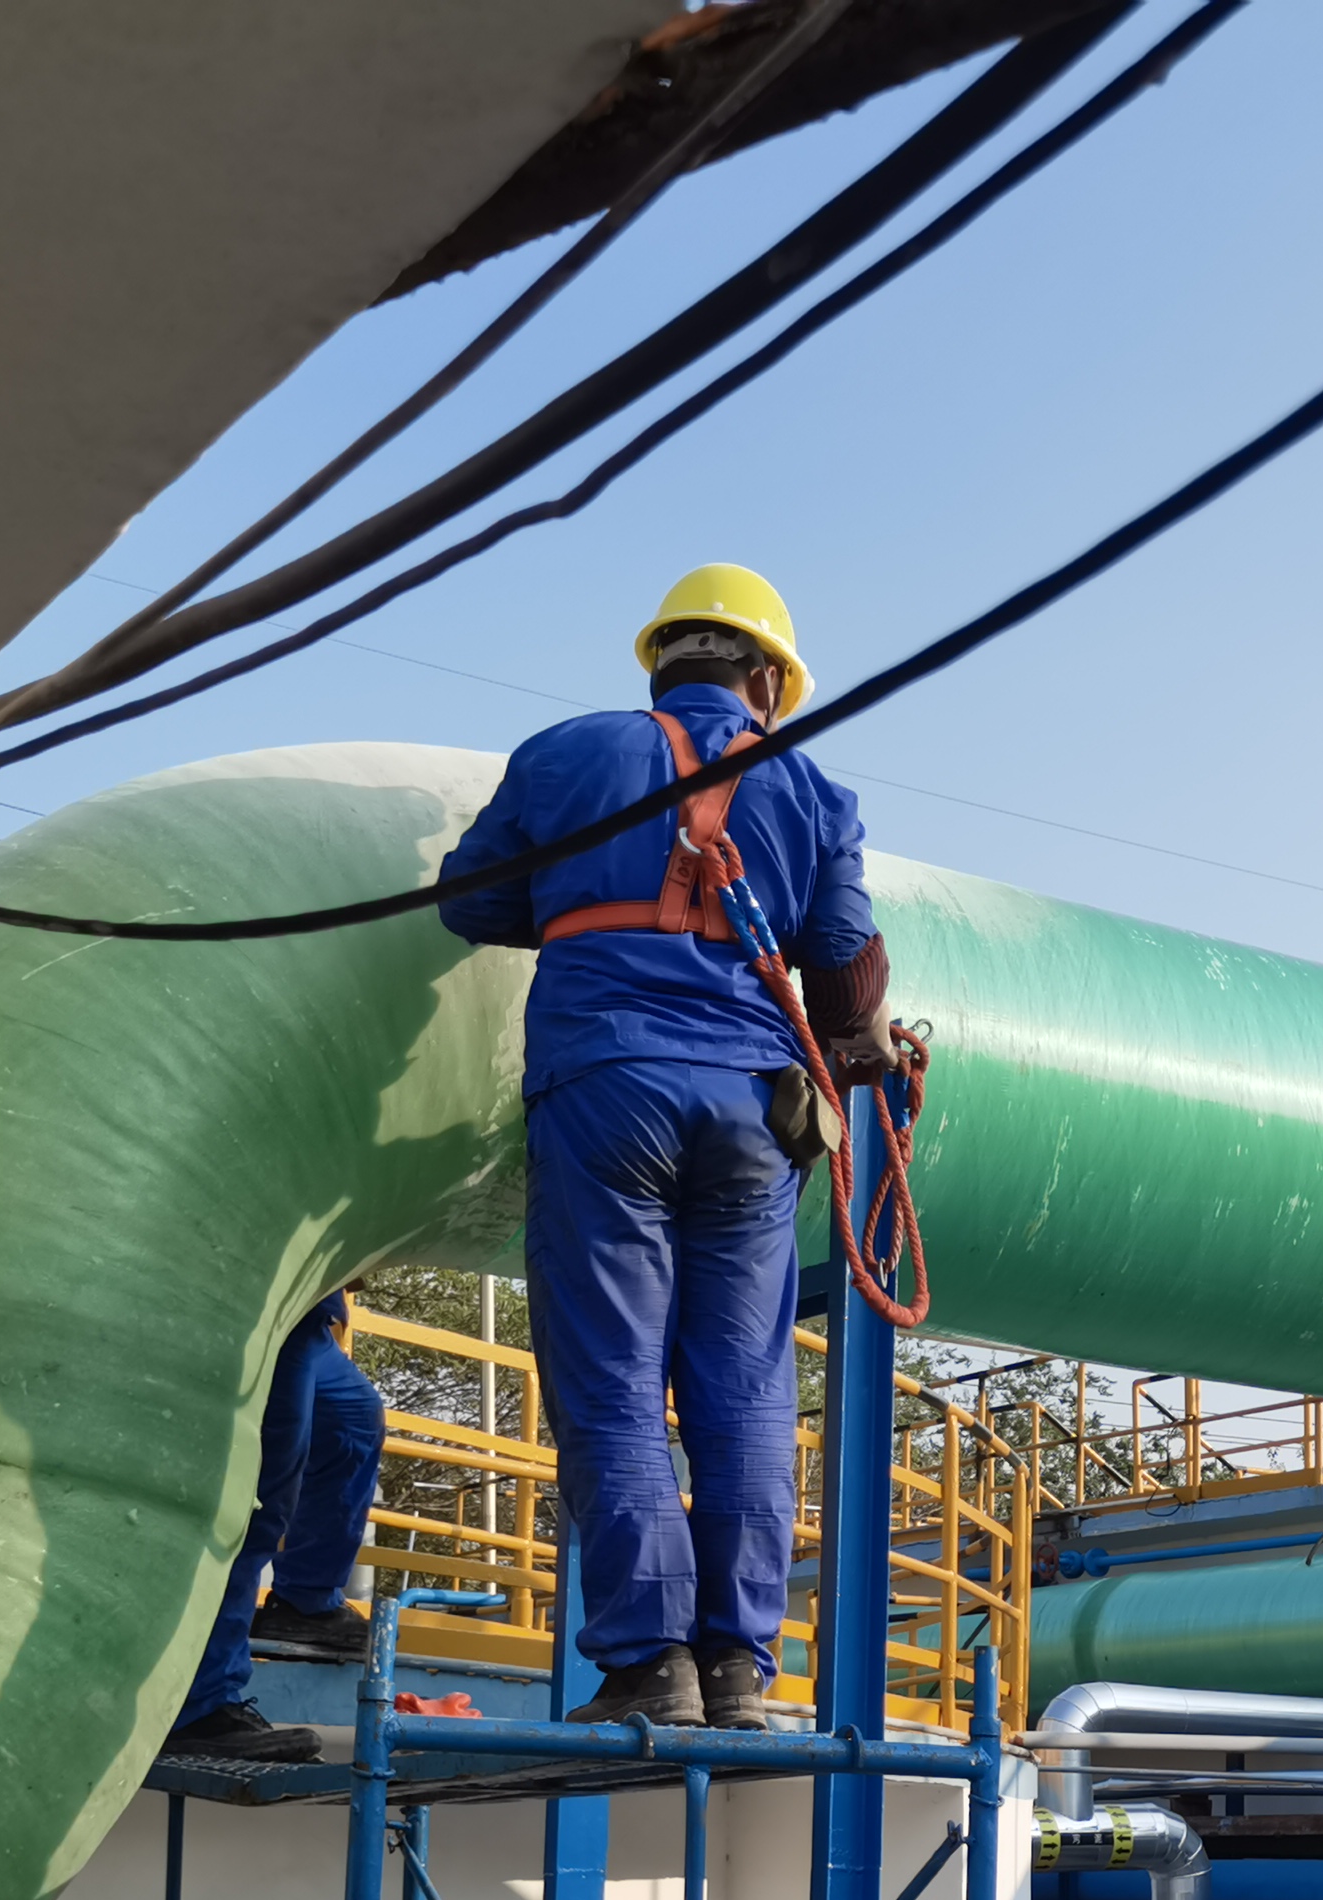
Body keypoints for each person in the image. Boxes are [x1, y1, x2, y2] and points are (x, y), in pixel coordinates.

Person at [435, 564, 896, 1727]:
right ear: (766, 681)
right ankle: (737, 1666)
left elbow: (469, 901)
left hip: (607, 1086)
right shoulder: (813, 790)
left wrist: (590, 896)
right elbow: (845, 970)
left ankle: (650, 1668)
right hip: (753, 1110)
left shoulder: (565, 753)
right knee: (743, 1385)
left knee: (614, 1379)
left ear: (662, 663)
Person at [161, 1294, 383, 1758]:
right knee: (260, 1488)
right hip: (267, 1308)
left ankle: (305, 1601)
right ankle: (200, 1705)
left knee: (354, 1422)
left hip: (311, 1317)